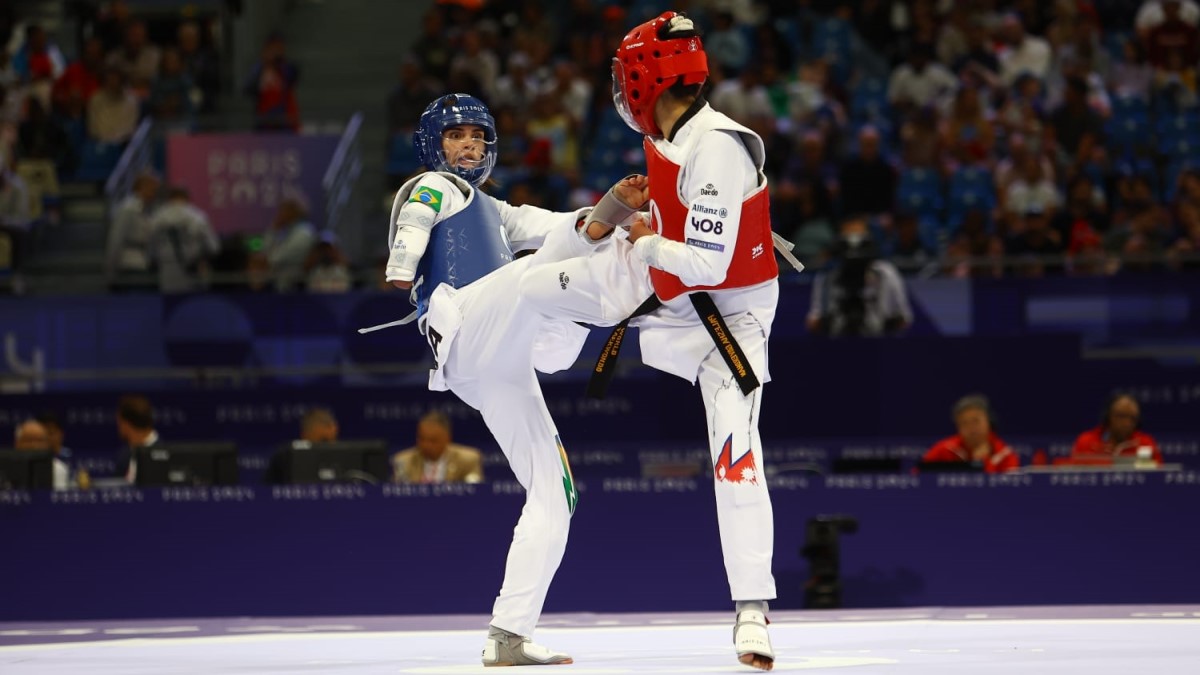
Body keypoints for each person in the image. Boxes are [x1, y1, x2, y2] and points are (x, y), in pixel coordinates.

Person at [514, 12, 781, 669]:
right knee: (539, 288)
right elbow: (681, 234)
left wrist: (649, 237)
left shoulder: (717, 143)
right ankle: (542, 348)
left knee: (736, 445)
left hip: (727, 317)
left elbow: (712, 263)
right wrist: (641, 220)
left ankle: (752, 612)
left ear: (644, 79)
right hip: (665, 289)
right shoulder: (675, 136)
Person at [379, 93, 644, 666]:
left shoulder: (495, 210)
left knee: (557, 494)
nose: (468, 144)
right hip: (469, 321)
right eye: (455, 136)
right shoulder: (437, 186)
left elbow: (563, 226)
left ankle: (509, 634)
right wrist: (403, 261)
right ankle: (647, 291)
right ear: (433, 145)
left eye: (477, 135)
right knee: (547, 271)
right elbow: (420, 209)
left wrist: (617, 207)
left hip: (498, 358)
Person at [807, 216, 912, 337]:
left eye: (860, 239)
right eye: (848, 239)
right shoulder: (828, 276)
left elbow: (905, 319)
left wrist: (885, 321)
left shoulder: (885, 273)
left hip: (878, 341)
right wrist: (827, 320)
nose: (854, 251)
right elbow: (813, 321)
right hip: (838, 342)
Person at [923, 395, 1018, 473]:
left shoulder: (1005, 455)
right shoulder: (944, 449)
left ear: (989, 421)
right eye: (964, 423)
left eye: (976, 421)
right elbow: (919, 476)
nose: (971, 428)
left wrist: (983, 461)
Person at [393, 410, 483, 484]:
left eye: (433, 440)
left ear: (447, 438)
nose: (426, 445)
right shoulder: (404, 461)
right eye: (422, 439)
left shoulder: (468, 460)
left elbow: (474, 491)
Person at [1071, 393, 1163, 465]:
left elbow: (1155, 478)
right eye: (1121, 416)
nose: (1127, 423)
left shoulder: (1145, 443)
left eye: (1133, 418)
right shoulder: (1087, 442)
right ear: (1108, 416)